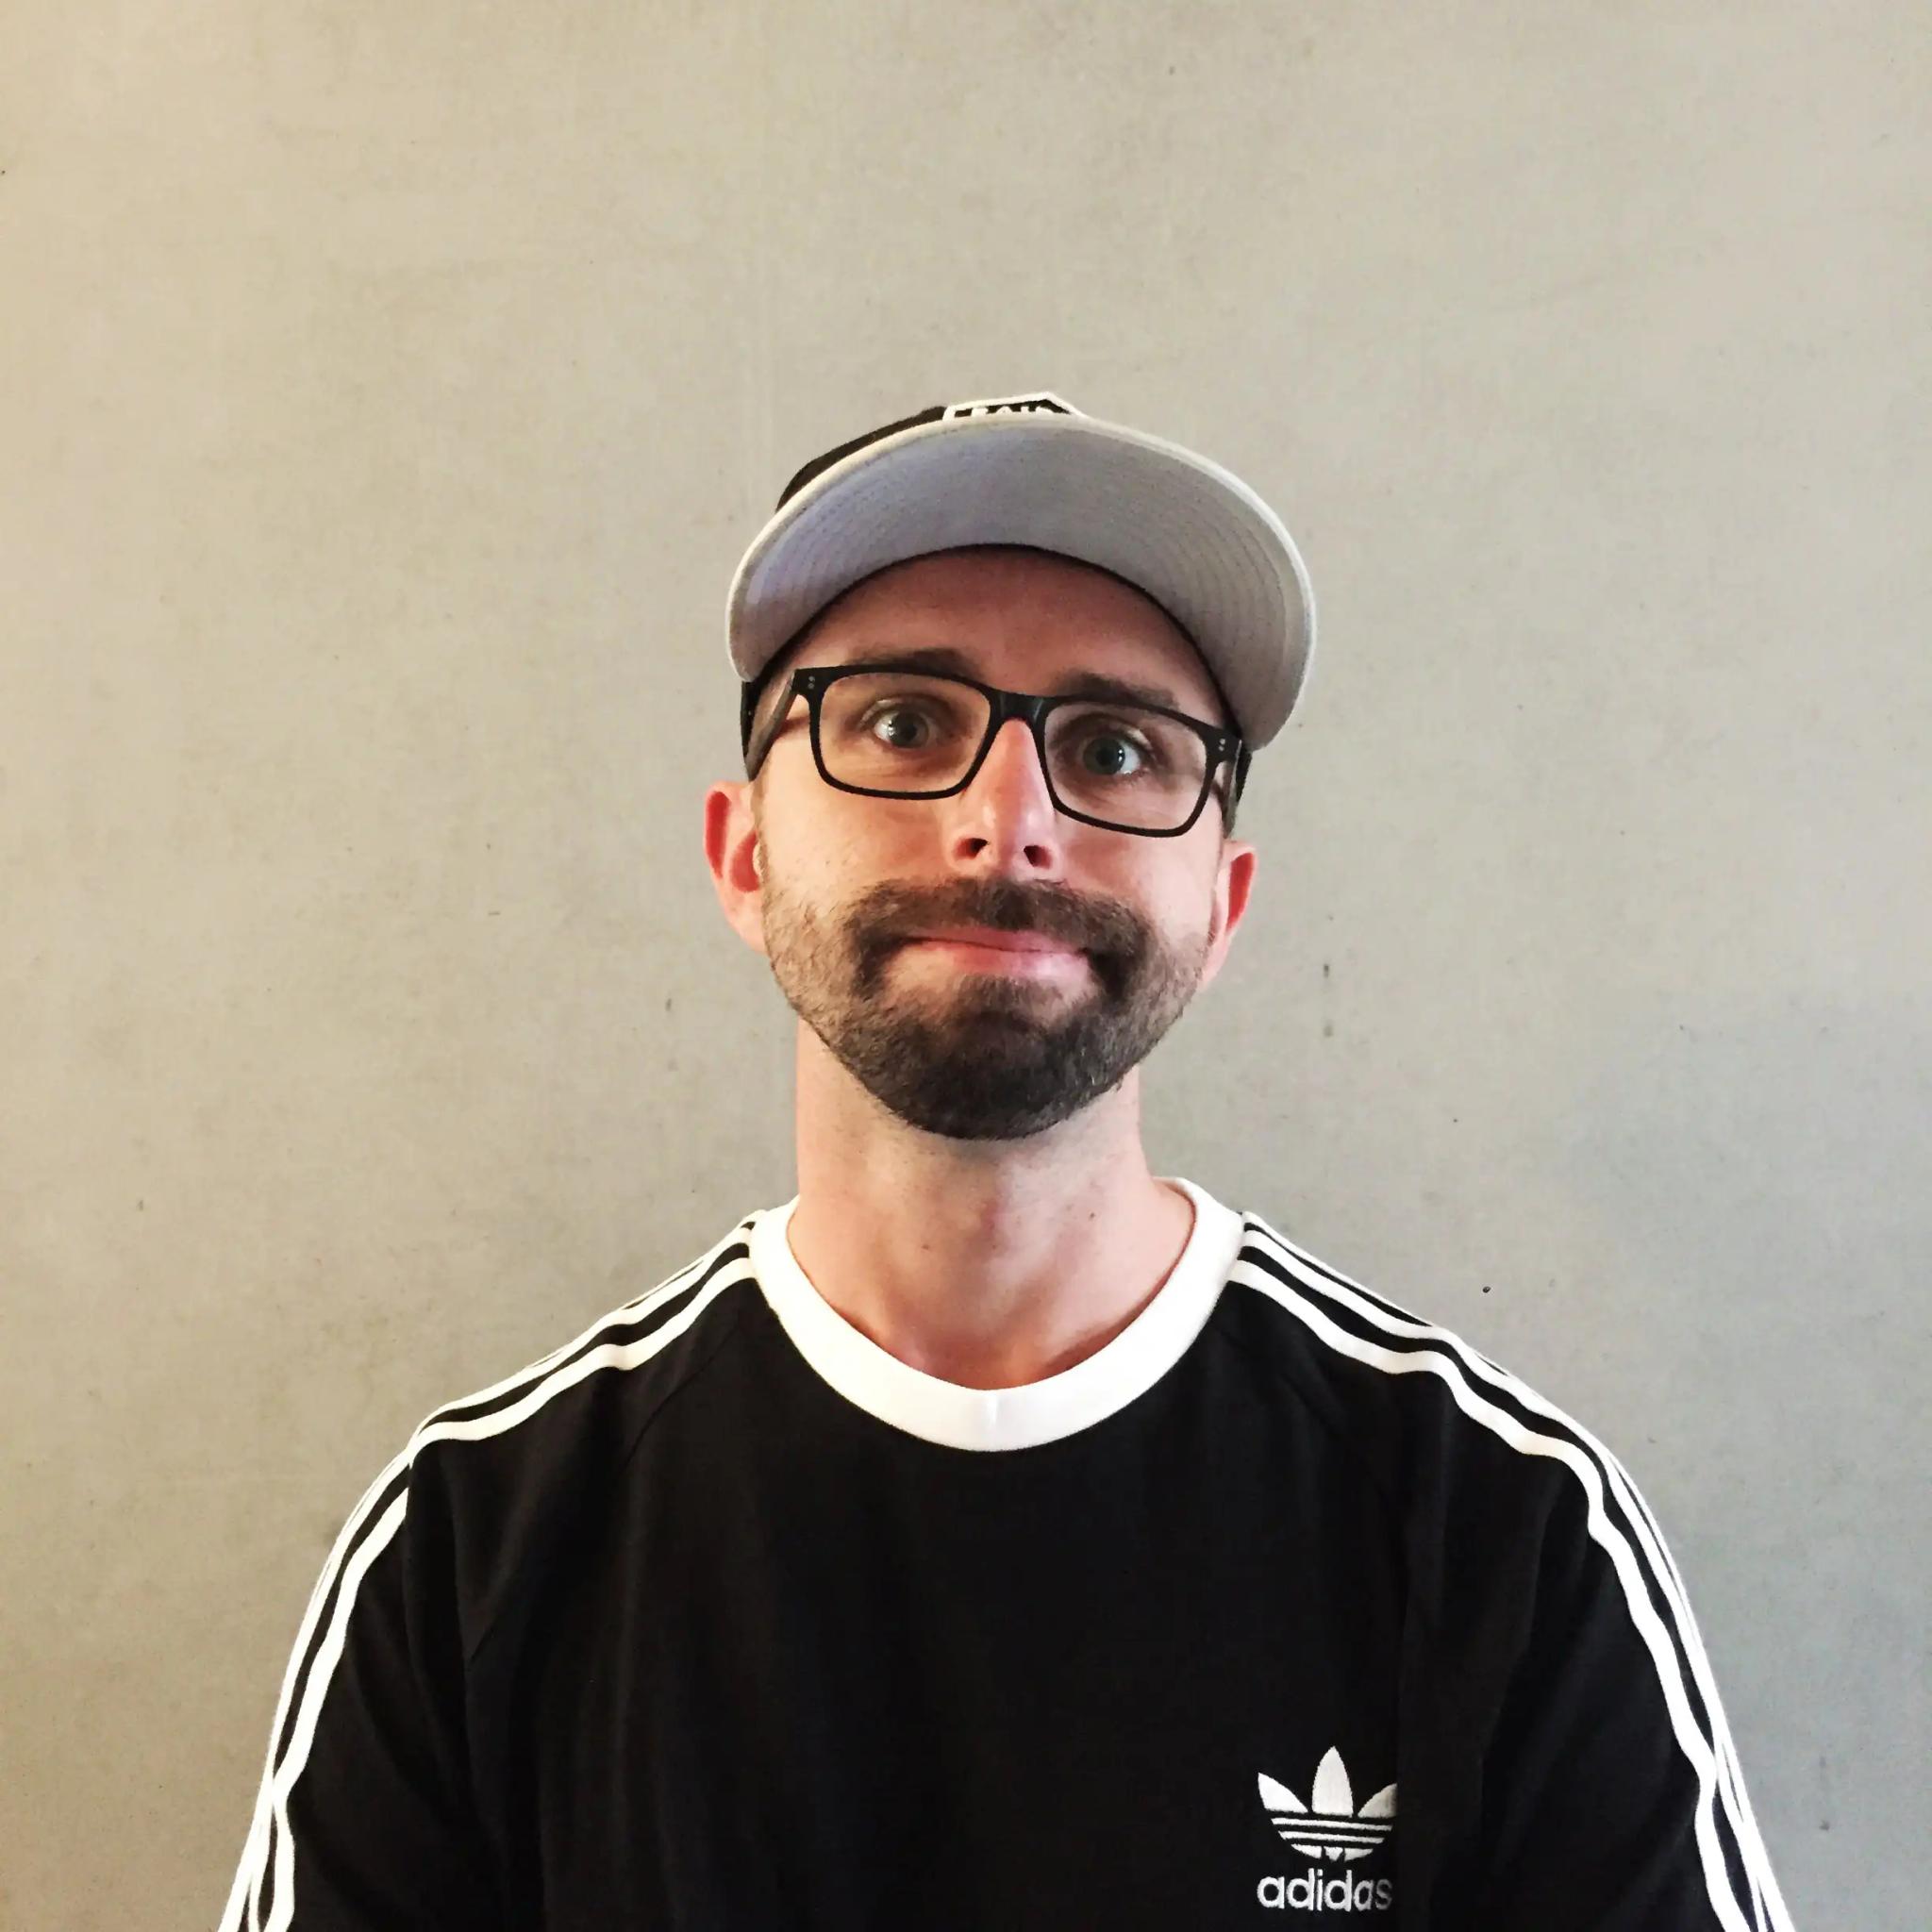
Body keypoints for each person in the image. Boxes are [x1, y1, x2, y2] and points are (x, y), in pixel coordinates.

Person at [218, 392, 1794, 1929]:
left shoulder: (1499, 1534)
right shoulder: (476, 1554)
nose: (1008, 819)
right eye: (903, 722)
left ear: (1224, 905)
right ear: (747, 857)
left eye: (1114, 749)